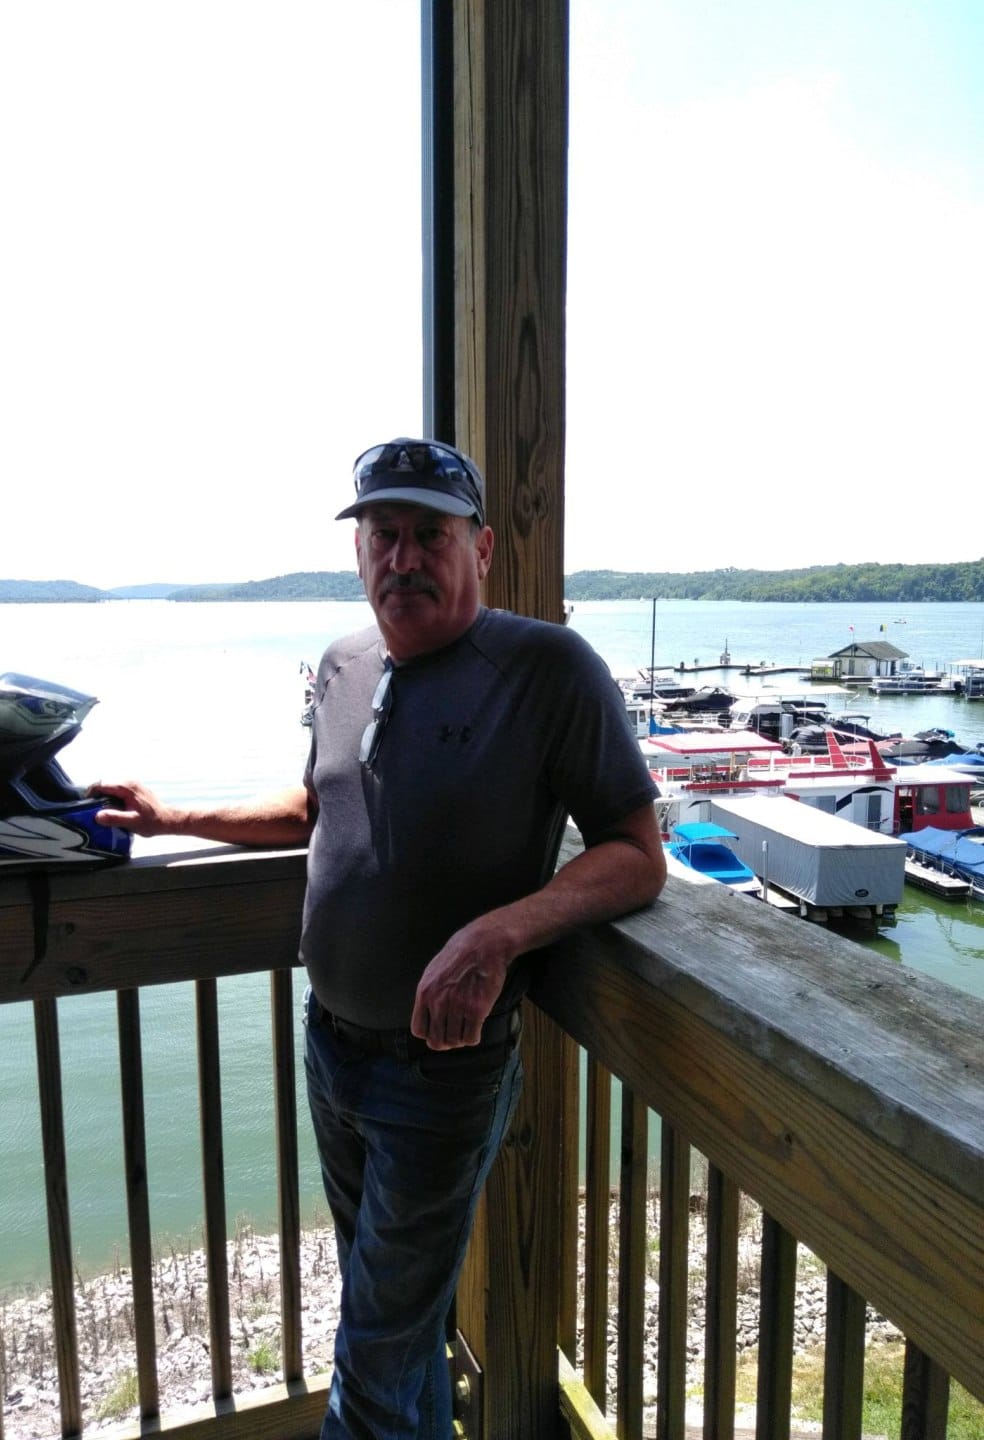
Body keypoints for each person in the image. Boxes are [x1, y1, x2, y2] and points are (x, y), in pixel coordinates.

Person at [94, 438, 666, 1440]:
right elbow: (320, 808)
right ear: (358, 552)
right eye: (382, 534)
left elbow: (634, 851)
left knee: (373, 1355)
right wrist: (175, 817)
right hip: (332, 1048)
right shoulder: (345, 664)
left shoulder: (547, 669)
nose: (403, 557)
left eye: (429, 535)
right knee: (401, 1332)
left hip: (440, 1070)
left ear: (481, 548)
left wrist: (499, 933)